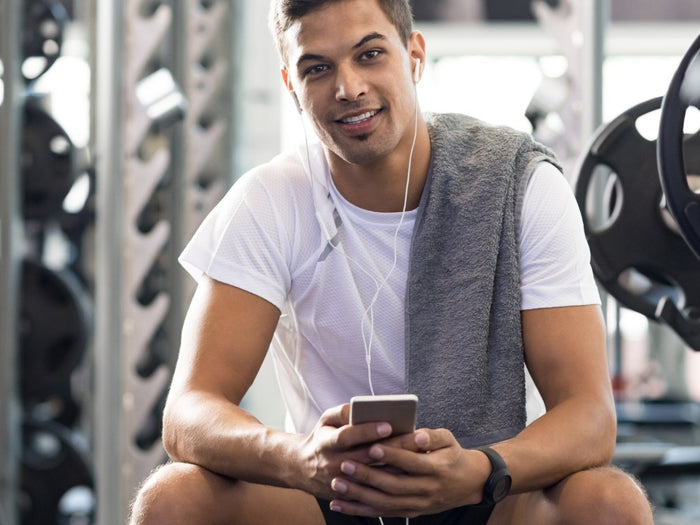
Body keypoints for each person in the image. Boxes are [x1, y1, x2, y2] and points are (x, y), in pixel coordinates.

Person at [129, 0, 654, 523]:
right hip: (334, 490)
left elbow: (589, 417)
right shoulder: (271, 199)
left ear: (414, 55)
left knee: (609, 503)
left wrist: (479, 470)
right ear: (290, 84)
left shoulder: (522, 187)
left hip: (487, 487)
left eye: (370, 54)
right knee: (174, 499)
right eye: (318, 68)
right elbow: (189, 411)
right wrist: (299, 456)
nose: (348, 87)